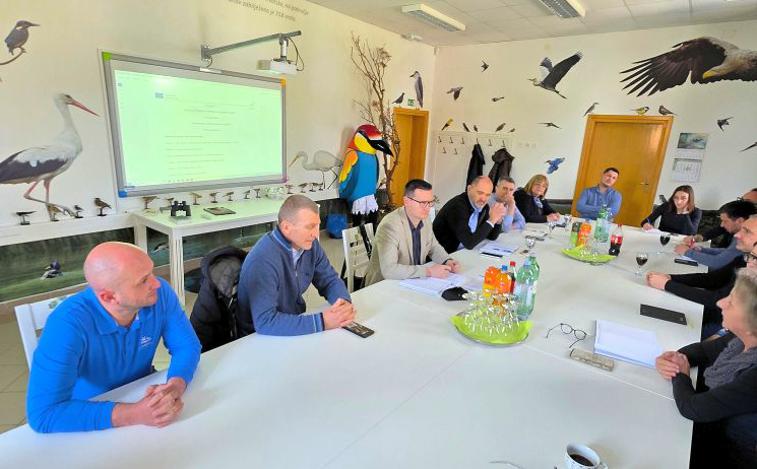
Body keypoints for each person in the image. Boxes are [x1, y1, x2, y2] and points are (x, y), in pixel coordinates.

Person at [26, 242, 201, 433]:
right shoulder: (65, 325)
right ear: (109, 297)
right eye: (143, 280)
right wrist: (133, 414)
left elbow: (187, 346)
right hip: (89, 412)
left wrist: (176, 384)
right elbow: (42, 414)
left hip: (142, 392)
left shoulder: (161, 294)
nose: (156, 283)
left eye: (151, 272)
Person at [655, 269, 757, 467]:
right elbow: (702, 350)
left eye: (731, 302)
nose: (721, 303)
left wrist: (679, 372)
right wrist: (676, 358)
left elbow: (693, 408)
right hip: (706, 428)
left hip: (725, 453)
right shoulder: (742, 338)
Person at [238, 194, 355, 336]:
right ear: (286, 227)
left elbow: (329, 280)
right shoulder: (262, 259)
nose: (316, 234)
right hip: (257, 337)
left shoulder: (310, 245)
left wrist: (342, 302)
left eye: (318, 225)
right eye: (310, 227)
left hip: (293, 322)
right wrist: (323, 322)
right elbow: (265, 322)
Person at [647, 215, 757, 335]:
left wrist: (667, 284)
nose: (737, 235)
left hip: (719, 324)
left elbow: (717, 299)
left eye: (747, 231)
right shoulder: (745, 257)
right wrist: (671, 278)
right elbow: (714, 279)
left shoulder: (752, 267)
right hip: (712, 312)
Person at [365, 179, 460, 286]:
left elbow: (433, 247)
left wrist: (447, 261)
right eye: (422, 203)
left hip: (413, 281)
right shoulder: (390, 226)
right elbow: (389, 270)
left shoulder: (424, 218)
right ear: (407, 201)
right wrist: (428, 271)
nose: (428, 208)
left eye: (430, 202)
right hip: (384, 285)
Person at [432, 176, 506, 253]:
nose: (483, 199)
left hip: (462, 252)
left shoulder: (484, 206)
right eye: (480, 193)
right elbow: (469, 243)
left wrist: (498, 220)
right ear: (469, 189)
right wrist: (491, 220)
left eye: (487, 195)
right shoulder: (457, 206)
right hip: (444, 254)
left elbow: (492, 236)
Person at [674, 200, 756, 270]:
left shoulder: (743, 238)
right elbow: (728, 252)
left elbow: (717, 262)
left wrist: (687, 252)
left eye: (725, 221)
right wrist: (702, 250)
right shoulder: (740, 235)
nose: (722, 225)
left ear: (740, 221)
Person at [684, 189, 757, 248]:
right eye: (741, 200)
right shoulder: (732, 215)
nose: (739, 204)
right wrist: (700, 237)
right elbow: (719, 229)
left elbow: (725, 257)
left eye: (746, 202)